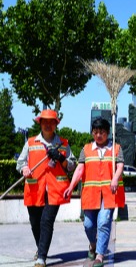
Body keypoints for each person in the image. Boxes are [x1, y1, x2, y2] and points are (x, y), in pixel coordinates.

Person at [16, 109, 76, 267]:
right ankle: (41, 248)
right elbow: (20, 163)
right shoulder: (30, 143)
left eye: (51, 122)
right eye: (45, 122)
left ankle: (41, 257)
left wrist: (62, 158)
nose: (48, 125)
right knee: (35, 222)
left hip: (55, 190)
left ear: (56, 124)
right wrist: (24, 169)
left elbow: (71, 166)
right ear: (40, 123)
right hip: (35, 189)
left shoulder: (63, 144)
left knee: (46, 221)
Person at [63, 118, 125, 267]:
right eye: (96, 132)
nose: (98, 135)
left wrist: (115, 178)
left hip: (109, 193)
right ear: (92, 133)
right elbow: (79, 169)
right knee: (88, 225)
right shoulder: (86, 149)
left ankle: (99, 255)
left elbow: (120, 165)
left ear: (108, 133)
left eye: (102, 132)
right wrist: (71, 187)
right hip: (90, 194)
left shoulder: (116, 148)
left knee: (103, 222)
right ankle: (93, 244)